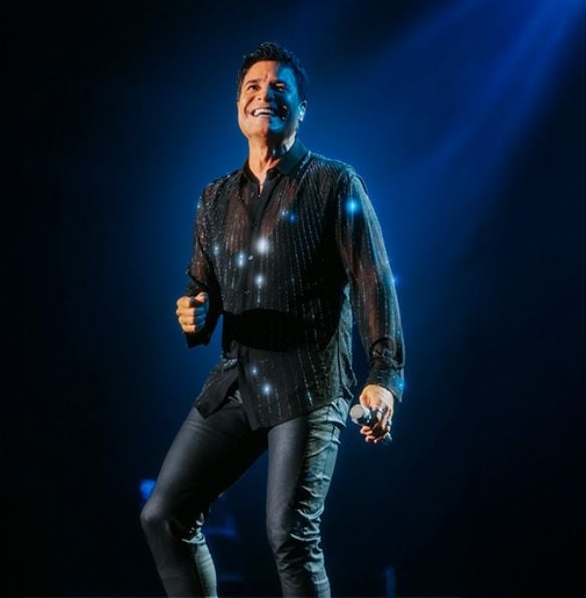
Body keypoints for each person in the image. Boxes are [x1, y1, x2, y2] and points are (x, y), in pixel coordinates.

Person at [140, 42, 406, 598]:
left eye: (280, 87)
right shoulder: (215, 199)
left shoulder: (334, 184)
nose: (265, 95)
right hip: (240, 381)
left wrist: (383, 376)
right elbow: (201, 291)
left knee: (289, 536)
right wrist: (193, 313)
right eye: (253, 87)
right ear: (237, 106)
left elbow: (373, 280)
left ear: (302, 108)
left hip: (310, 383)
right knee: (164, 516)